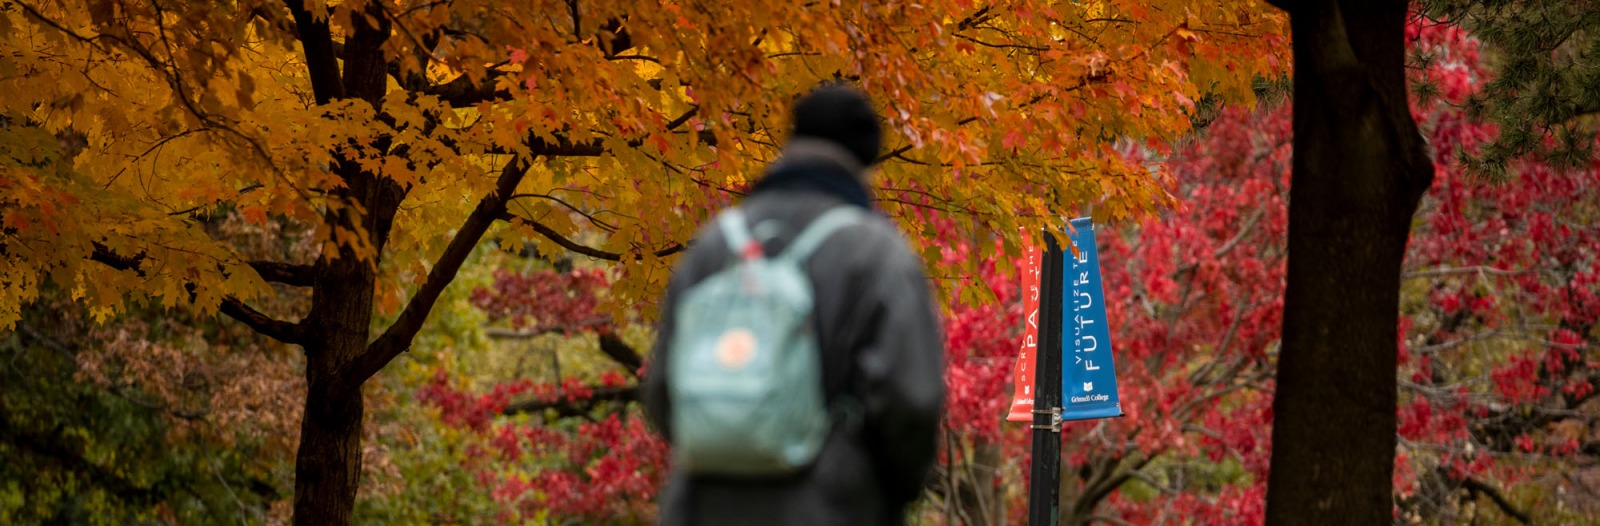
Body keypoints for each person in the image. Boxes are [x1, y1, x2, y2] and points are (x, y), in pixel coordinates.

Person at [643, 84, 947, 525]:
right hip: (829, 505)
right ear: (866, 162)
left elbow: (662, 389)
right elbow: (909, 401)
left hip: (702, 504)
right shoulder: (876, 252)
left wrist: (724, 444)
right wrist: (887, 494)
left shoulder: (714, 243)